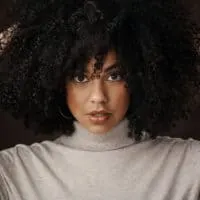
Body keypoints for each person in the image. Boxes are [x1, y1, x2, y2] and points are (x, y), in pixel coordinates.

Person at [0, 0, 200, 199]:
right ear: (57, 82)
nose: (98, 97)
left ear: (142, 77)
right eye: (80, 77)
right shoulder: (13, 171)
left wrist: (175, 40)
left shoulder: (190, 165)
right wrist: (23, 38)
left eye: (114, 76)